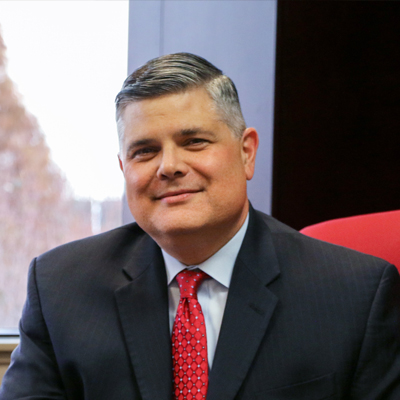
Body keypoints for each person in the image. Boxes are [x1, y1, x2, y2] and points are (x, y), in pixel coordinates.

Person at [1, 53, 399, 400]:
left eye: (193, 142)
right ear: (125, 170)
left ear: (246, 153)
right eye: (145, 151)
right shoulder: (59, 289)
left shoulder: (355, 296)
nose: (168, 166)